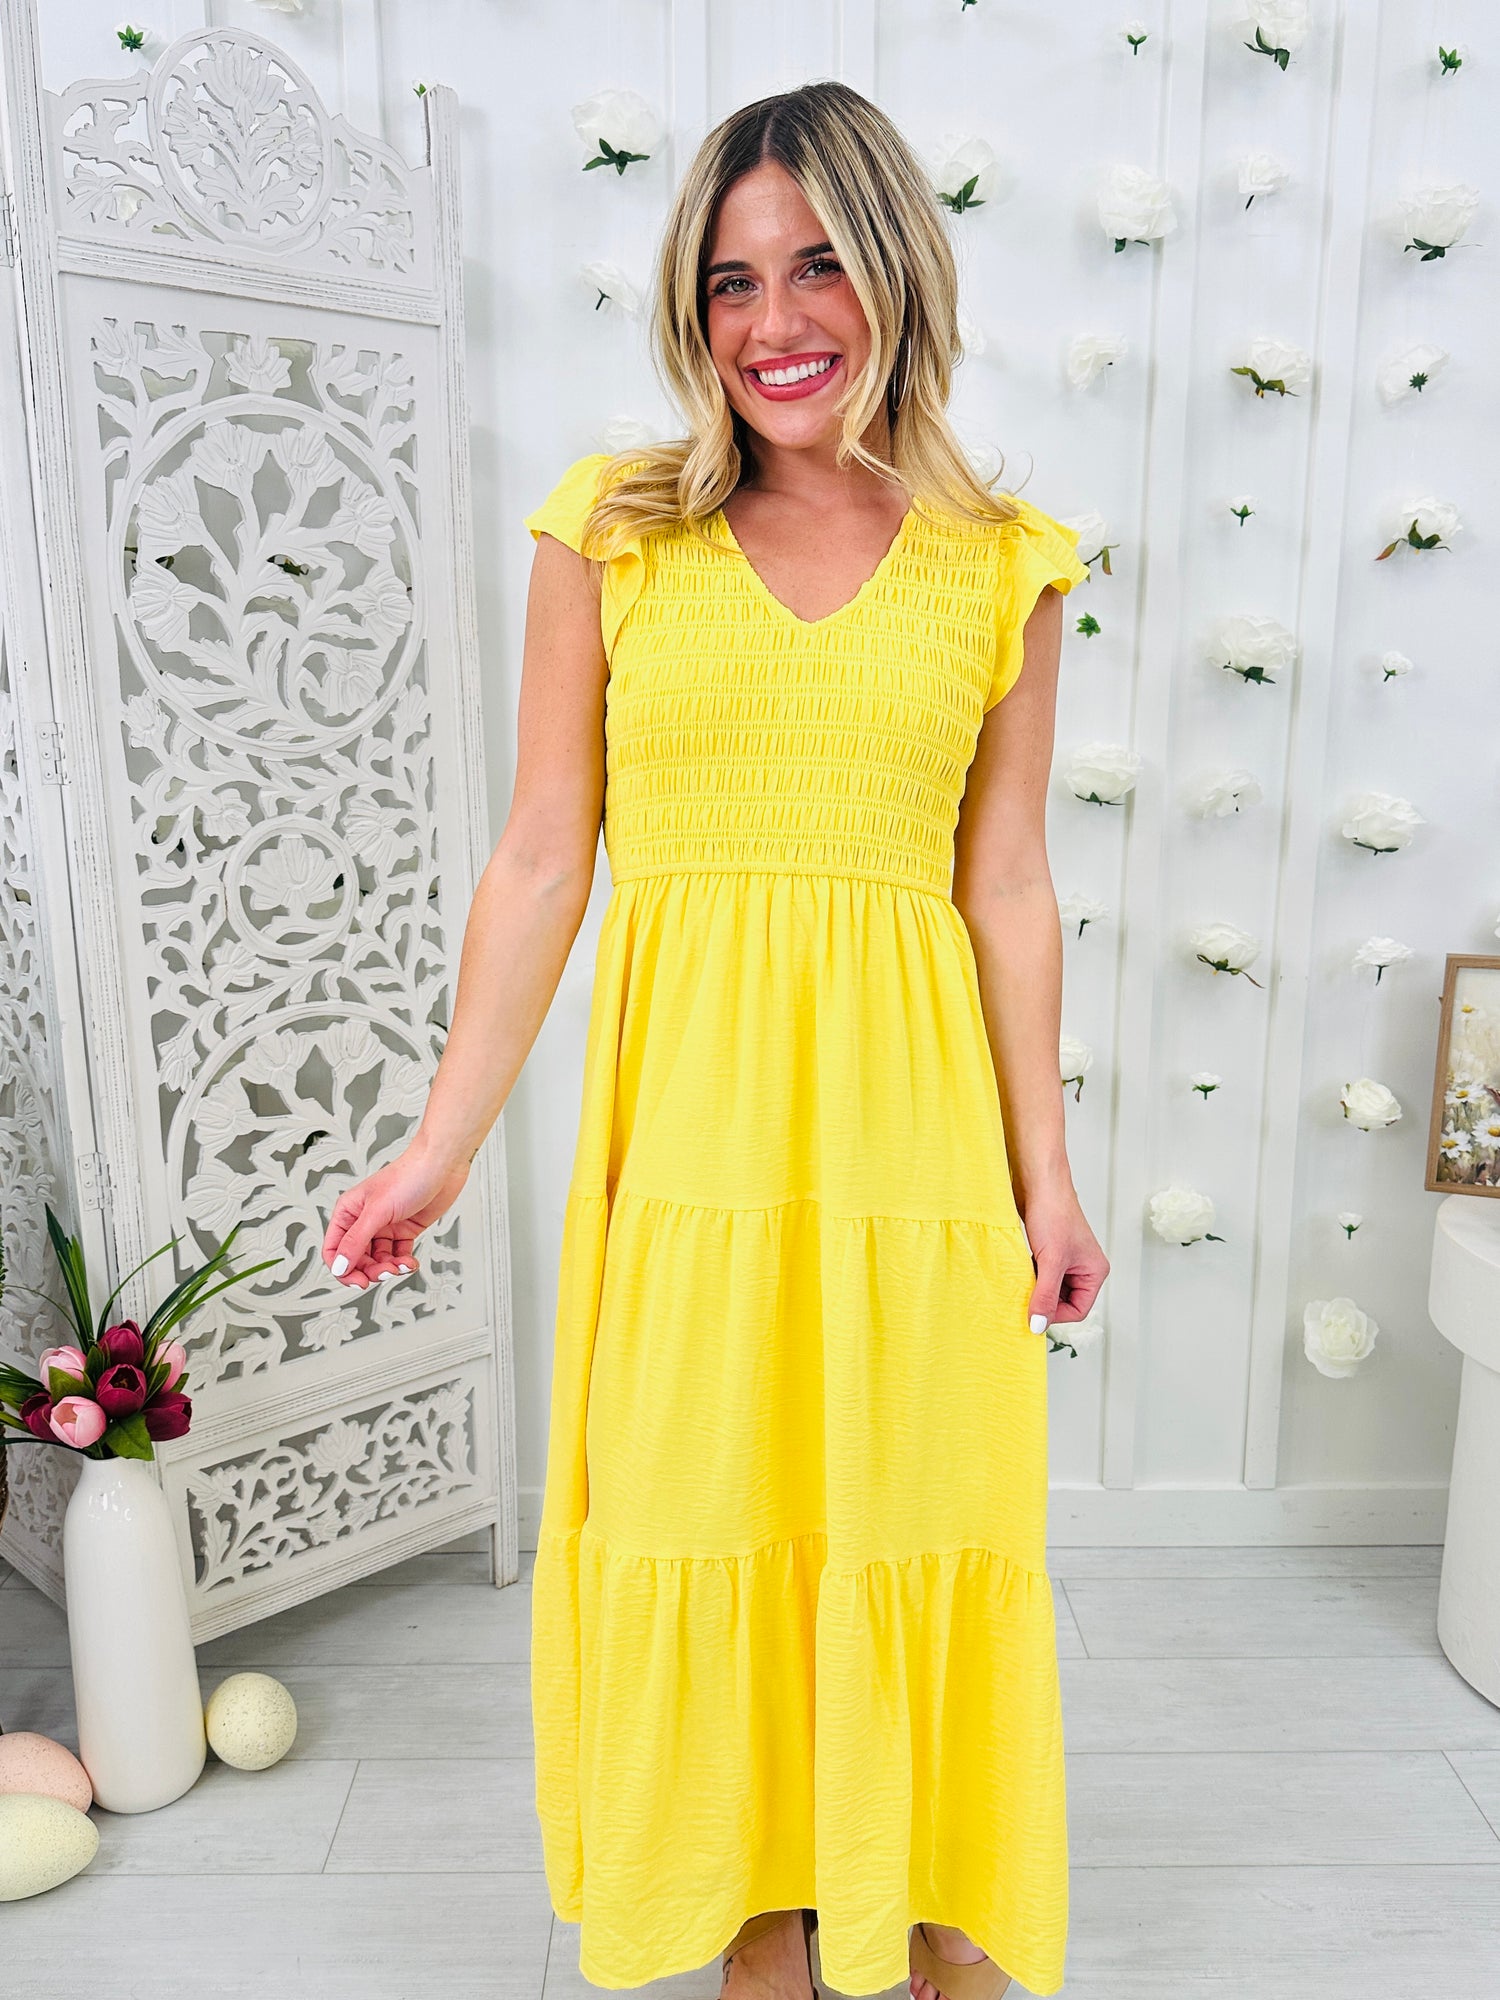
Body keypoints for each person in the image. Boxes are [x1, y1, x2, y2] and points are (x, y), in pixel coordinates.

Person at [322, 77, 1108, 2000]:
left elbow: (1008, 885)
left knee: (914, 1508)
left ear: (900, 276)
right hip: (686, 1152)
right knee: (708, 1510)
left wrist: (1050, 1177)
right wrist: (438, 1141)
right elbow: (541, 853)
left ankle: (919, 1899)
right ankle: (757, 1910)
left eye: (821, 266)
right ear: (692, 308)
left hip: (915, 1155)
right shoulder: (614, 532)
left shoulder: (1006, 562)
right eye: (733, 280)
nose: (777, 322)